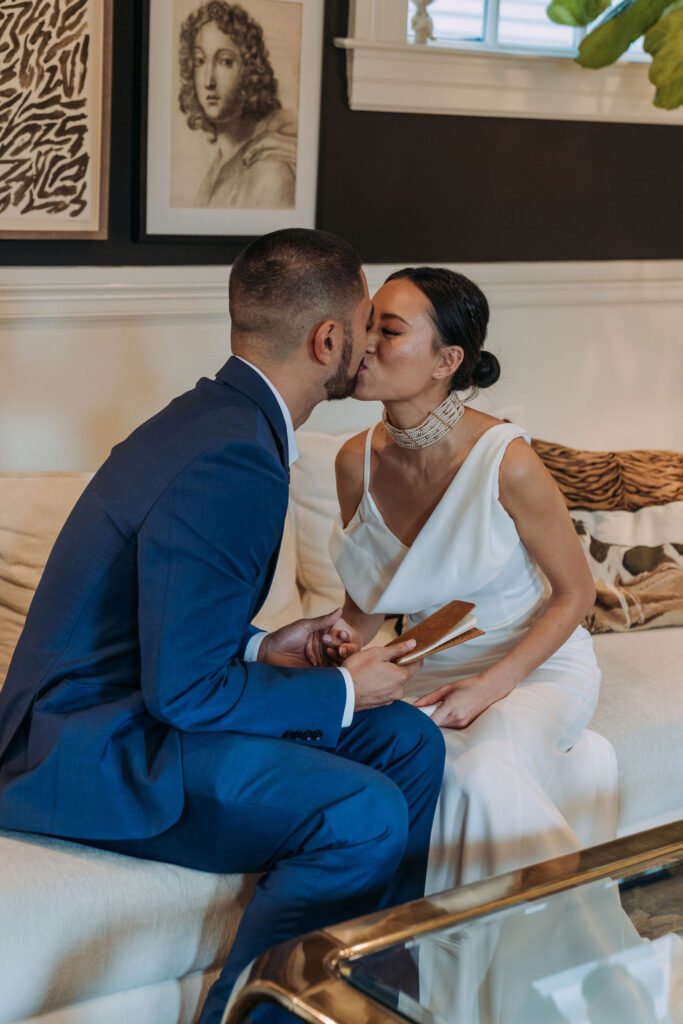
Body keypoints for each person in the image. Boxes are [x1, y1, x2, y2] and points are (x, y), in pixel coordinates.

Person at [0, 232, 445, 1024]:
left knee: (409, 739)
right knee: (360, 813)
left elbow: (174, 629)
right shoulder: (230, 457)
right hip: (87, 751)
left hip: (135, 707)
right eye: (367, 324)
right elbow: (184, 692)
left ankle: (367, 995)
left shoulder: (214, 419)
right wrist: (343, 687)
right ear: (328, 340)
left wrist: (263, 647)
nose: (372, 343)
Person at [312, 265, 618, 897]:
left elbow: (577, 595)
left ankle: (580, 972)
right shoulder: (353, 463)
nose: (363, 342)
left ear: (446, 360)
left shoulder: (507, 461)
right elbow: (366, 603)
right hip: (424, 670)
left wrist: (486, 688)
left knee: (478, 779)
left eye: (389, 331)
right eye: (367, 323)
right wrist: (333, 648)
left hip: (534, 666)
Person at [179, 1, 297, 209]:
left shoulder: (269, 168)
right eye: (199, 61)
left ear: (250, 69)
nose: (209, 81)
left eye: (225, 62)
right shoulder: (218, 166)